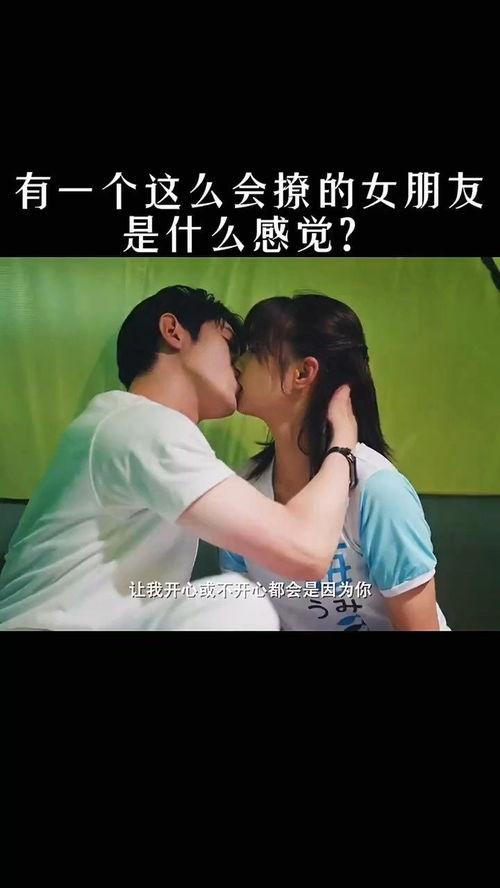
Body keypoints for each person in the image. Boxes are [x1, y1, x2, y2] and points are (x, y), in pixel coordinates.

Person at [0, 285, 357, 631]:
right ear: (174, 331)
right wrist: (342, 442)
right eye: (228, 344)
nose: (238, 365)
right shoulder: (140, 424)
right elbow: (306, 553)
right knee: (238, 602)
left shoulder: (129, 425)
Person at [220, 293, 449, 631]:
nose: (237, 363)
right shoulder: (244, 488)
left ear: (302, 372)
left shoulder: (377, 491)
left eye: (254, 350)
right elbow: (243, 615)